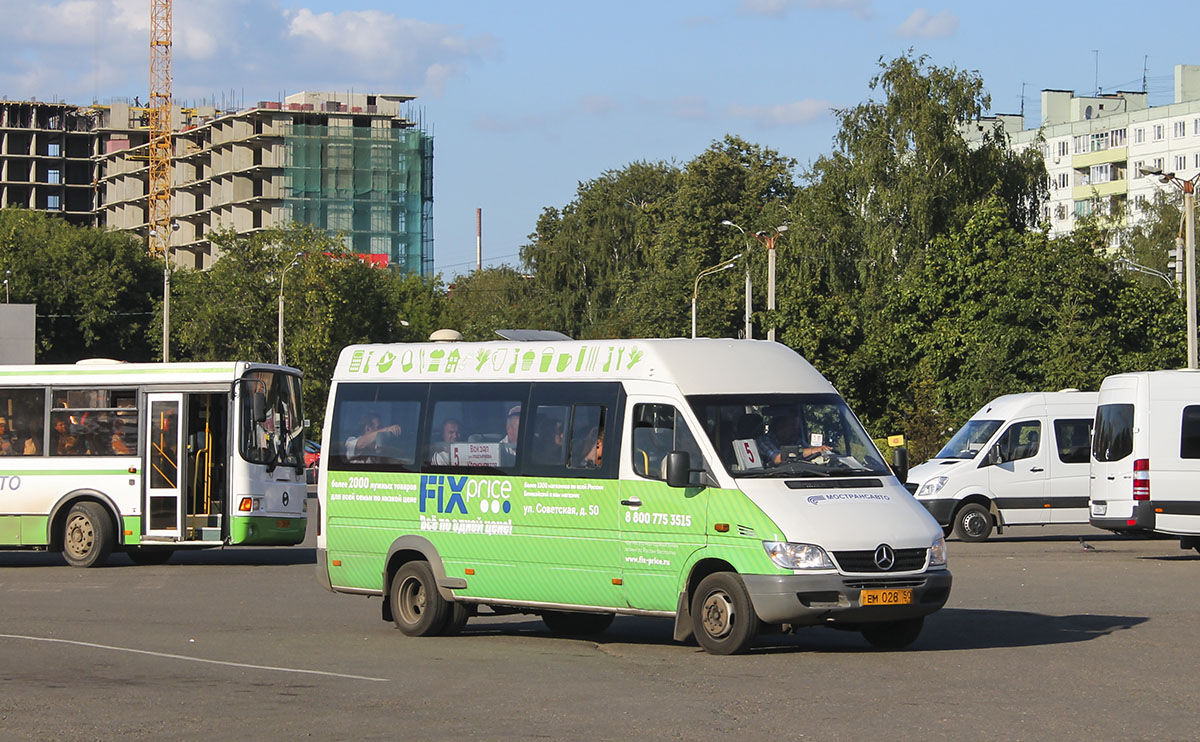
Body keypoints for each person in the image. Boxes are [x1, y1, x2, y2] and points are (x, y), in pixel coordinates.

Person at [757, 408, 830, 466]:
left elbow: (807, 450)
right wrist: (811, 451)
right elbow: (778, 458)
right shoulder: (764, 441)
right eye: (792, 426)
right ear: (780, 426)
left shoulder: (796, 440)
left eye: (797, 427)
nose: (796, 430)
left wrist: (819, 451)